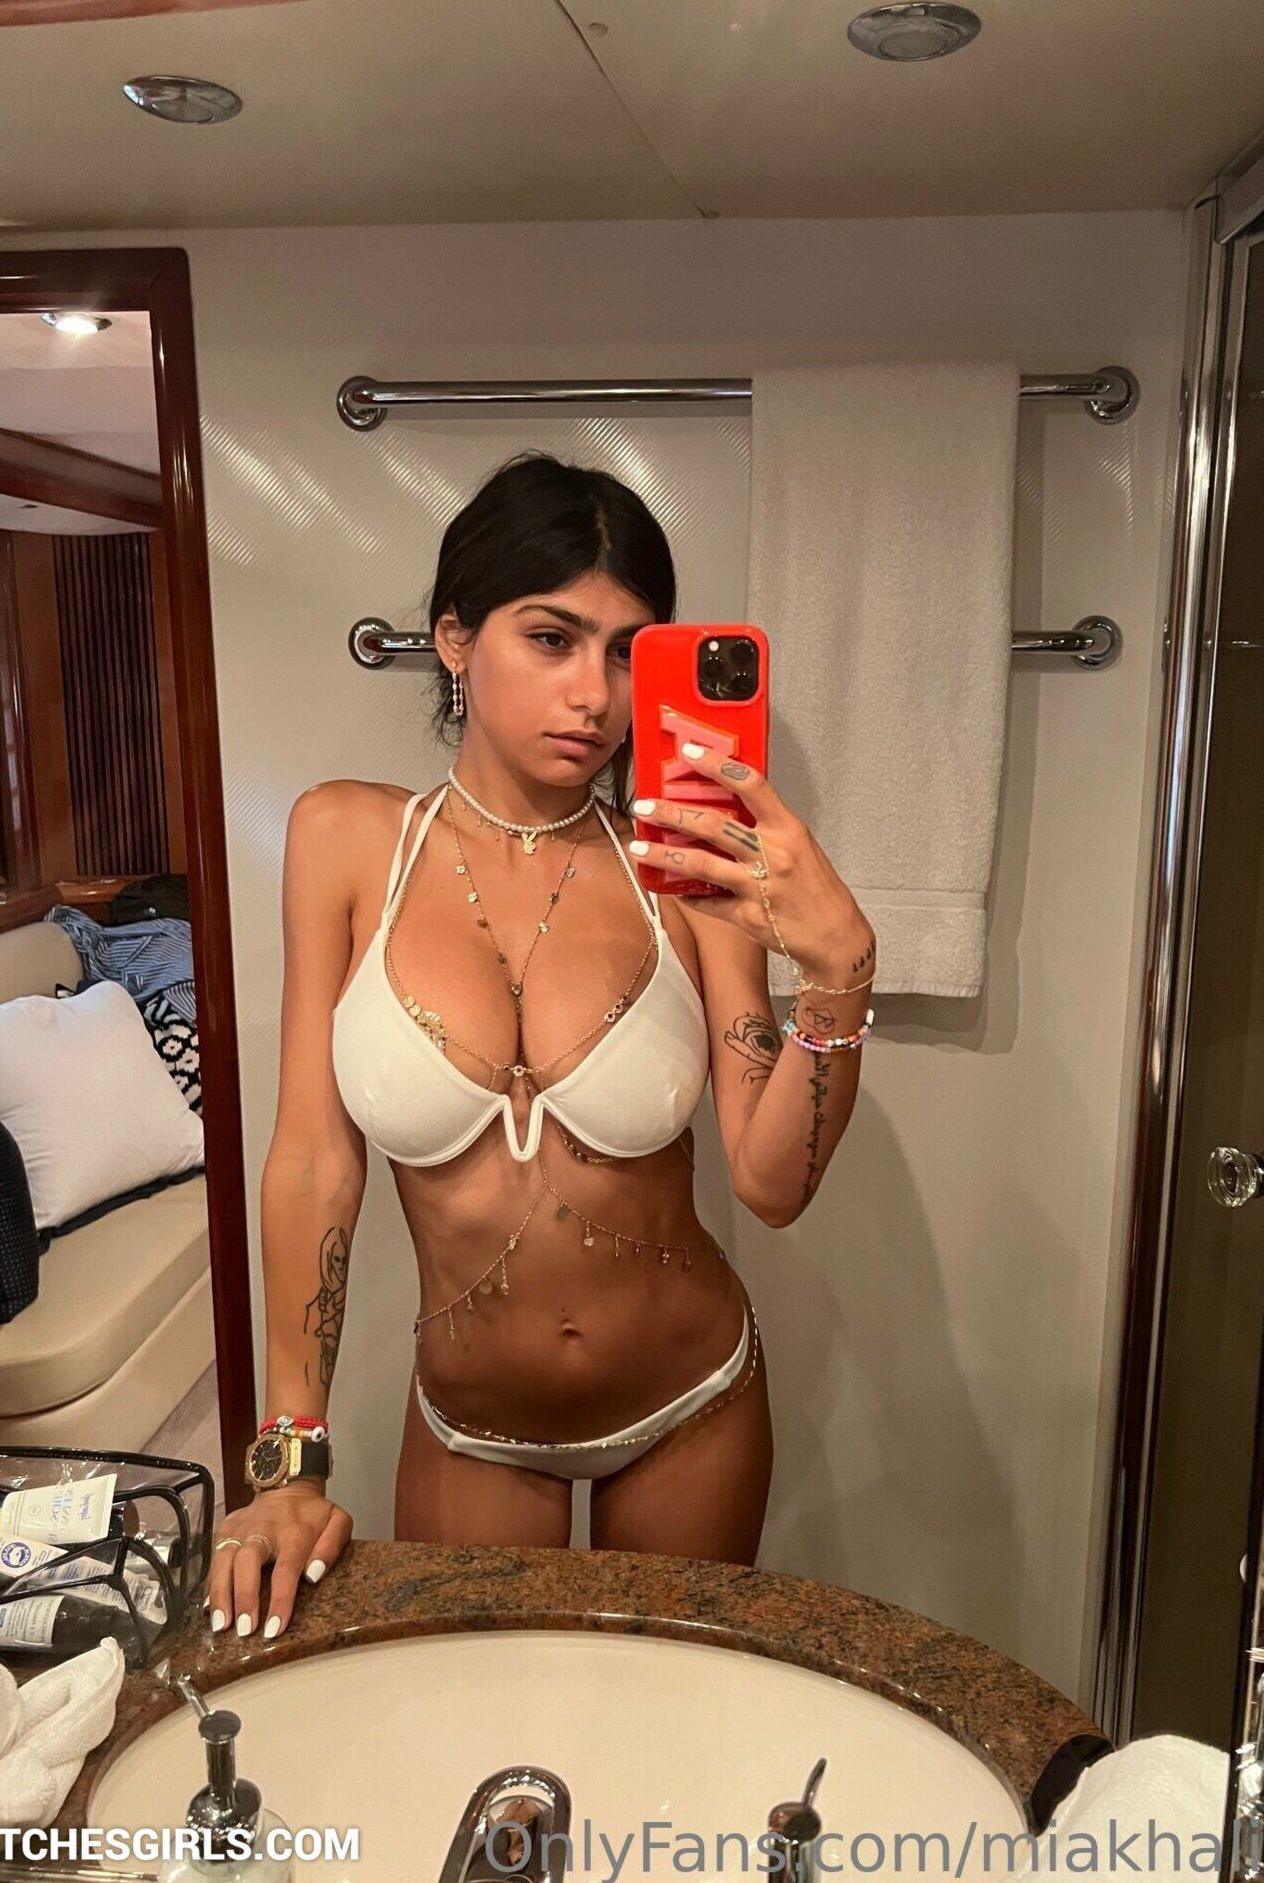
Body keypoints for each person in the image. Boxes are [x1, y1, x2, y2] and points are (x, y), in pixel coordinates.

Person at [206, 452, 877, 1642]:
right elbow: (312, 1163)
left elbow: (772, 1184)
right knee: (482, 1731)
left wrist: (840, 977)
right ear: (454, 638)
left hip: (692, 1407)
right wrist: (286, 1460)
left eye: (626, 652)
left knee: (668, 1727)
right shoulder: (346, 839)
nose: (593, 696)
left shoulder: (682, 869)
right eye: (552, 638)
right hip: (471, 1426)